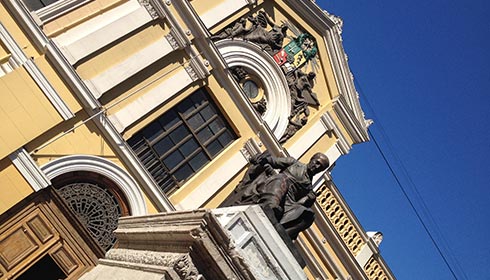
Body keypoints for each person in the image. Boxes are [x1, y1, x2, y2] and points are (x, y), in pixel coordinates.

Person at [223, 151, 329, 240]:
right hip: (273, 185)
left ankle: (283, 233)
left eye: (320, 167)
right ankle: (270, 207)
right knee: (282, 179)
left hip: (287, 204)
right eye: (317, 162)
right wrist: (264, 159)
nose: (317, 166)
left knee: (309, 214)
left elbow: (299, 204)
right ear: (312, 159)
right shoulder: (293, 163)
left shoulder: (309, 187)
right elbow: (274, 161)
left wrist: (308, 199)